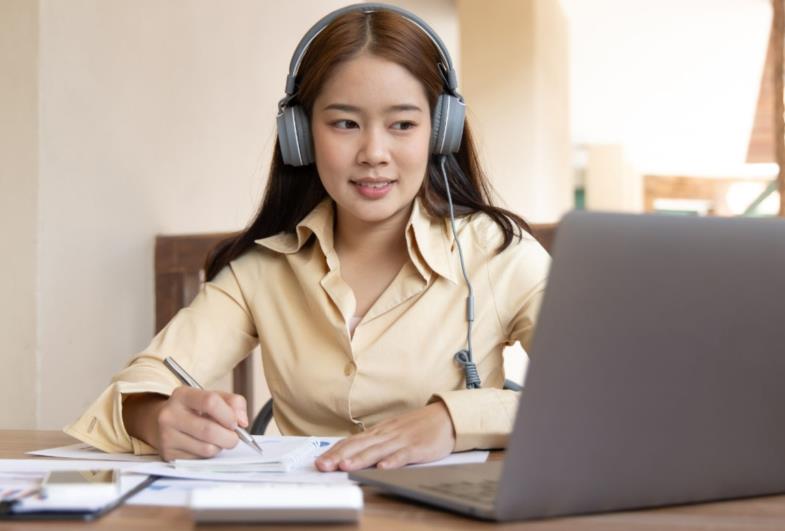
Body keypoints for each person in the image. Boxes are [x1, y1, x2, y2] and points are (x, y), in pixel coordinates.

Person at [65, 3, 550, 471]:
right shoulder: (263, 269)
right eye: (344, 123)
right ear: (300, 135)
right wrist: (153, 415)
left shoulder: (500, 255)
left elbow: (599, 392)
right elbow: (138, 385)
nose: (374, 152)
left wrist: (452, 419)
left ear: (440, 132)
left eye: (403, 124)